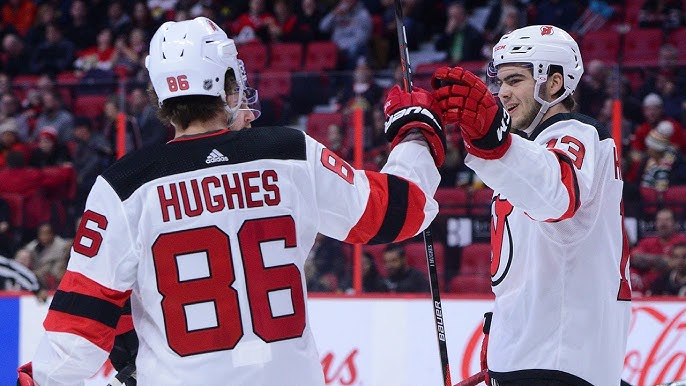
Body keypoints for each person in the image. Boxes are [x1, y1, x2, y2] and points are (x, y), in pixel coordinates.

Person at [19, 16, 445, 386]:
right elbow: (396, 212)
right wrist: (413, 135)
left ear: (158, 94)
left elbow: (76, 334)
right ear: (226, 80)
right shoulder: (290, 152)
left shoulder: (124, 186)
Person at [431, 25, 630, 385]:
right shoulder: (529, 149)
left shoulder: (574, 132)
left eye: (515, 80)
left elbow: (558, 193)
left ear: (554, 83)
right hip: (535, 357)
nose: (502, 93)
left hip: (554, 360)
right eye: (500, 82)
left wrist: (494, 140)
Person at [630, 207, 686, 295]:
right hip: (646, 285)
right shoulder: (647, 242)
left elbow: (679, 264)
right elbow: (634, 258)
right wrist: (664, 261)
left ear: (675, 223)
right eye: (659, 220)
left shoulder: (682, 241)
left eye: (667, 220)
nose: (663, 223)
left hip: (672, 286)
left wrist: (650, 262)